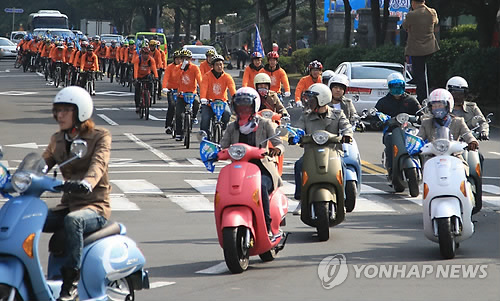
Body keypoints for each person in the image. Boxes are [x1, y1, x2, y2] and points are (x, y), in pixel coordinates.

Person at [42, 86, 111, 301]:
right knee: (27, 218)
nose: (59, 115)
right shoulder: (58, 139)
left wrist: (87, 183)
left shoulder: (100, 136)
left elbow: (98, 165)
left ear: (80, 112)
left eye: (65, 111)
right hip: (68, 204)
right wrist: (21, 178)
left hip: (94, 206)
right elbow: (42, 164)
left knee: (73, 221)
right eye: (57, 111)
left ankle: (71, 282)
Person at [220, 87, 285, 237]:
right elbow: (222, 146)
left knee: (261, 187)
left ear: (254, 106)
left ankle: (267, 226)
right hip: (238, 170)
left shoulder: (265, 123)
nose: (243, 108)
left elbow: (278, 142)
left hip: (262, 168)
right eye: (239, 105)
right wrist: (213, 153)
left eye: (247, 105)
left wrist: (277, 149)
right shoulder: (232, 127)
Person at [291, 83, 353, 215]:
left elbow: (346, 126)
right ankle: (301, 199)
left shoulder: (338, 114)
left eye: (312, 99)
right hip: (311, 153)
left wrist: (347, 135)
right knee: (299, 165)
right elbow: (298, 129)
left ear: (322, 99)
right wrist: (294, 136)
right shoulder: (306, 115)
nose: (309, 102)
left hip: (333, 152)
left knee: (342, 167)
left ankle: (341, 198)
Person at [375, 72, 421, 176]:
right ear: (389, 87)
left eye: (399, 86)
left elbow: (420, 113)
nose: (397, 89)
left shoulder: (411, 100)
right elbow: (376, 115)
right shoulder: (383, 102)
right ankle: (391, 168)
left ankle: (424, 166)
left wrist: (421, 118)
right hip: (392, 131)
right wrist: (378, 122)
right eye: (394, 86)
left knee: (422, 141)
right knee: (389, 139)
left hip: (409, 130)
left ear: (404, 86)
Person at [402, 0, 440, 102]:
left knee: (419, 75)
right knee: (426, 73)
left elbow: (404, 26)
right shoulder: (432, 12)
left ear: (413, 2)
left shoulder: (412, 15)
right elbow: (436, 23)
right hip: (430, 46)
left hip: (416, 48)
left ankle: (421, 98)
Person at [199, 55, 236, 140]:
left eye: (221, 64)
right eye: (217, 65)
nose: (219, 67)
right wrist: (203, 98)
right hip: (209, 103)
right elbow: (203, 88)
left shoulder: (227, 77)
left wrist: (235, 96)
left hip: (222, 102)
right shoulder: (207, 76)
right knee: (205, 119)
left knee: (227, 113)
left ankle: (223, 129)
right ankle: (205, 137)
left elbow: (232, 88)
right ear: (212, 66)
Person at [447, 76, 489, 141]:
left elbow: (482, 122)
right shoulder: (441, 108)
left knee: (474, 151)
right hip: (446, 144)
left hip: (468, 143)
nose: (458, 97)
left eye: (461, 94)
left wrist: (484, 132)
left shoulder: (472, 107)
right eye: (455, 94)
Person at [175, 49, 202, 141]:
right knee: (179, 113)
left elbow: (199, 79)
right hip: (181, 94)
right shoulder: (178, 68)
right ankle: (179, 133)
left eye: (187, 58)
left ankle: (194, 117)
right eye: (183, 58)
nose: (185, 60)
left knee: (197, 102)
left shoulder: (195, 68)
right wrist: (181, 69)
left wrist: (202, 90)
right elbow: (175, 79)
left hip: (192, 93)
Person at [133, 47, 158, 114]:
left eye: (147, 54)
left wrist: (156, 77)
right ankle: (137, 106)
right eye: (144, 54)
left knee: (150, 83)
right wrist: (135, 78)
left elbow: (154, 68)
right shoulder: (138, 59)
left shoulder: (151, 60)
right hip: (139, 76)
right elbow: (135, 69)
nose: (145, 55)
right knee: (137, 90)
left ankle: (149, 96)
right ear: (142, 53)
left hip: (147, 75)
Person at [163, 49, 182, 134]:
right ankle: (169, 125)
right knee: (172, 105)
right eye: (177, 58)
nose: (178, 60)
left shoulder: (184, 67)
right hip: (171, 89)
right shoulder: (170, 67)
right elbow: (166, 77)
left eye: (180, 58)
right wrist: (164, 87)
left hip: (181, 90)